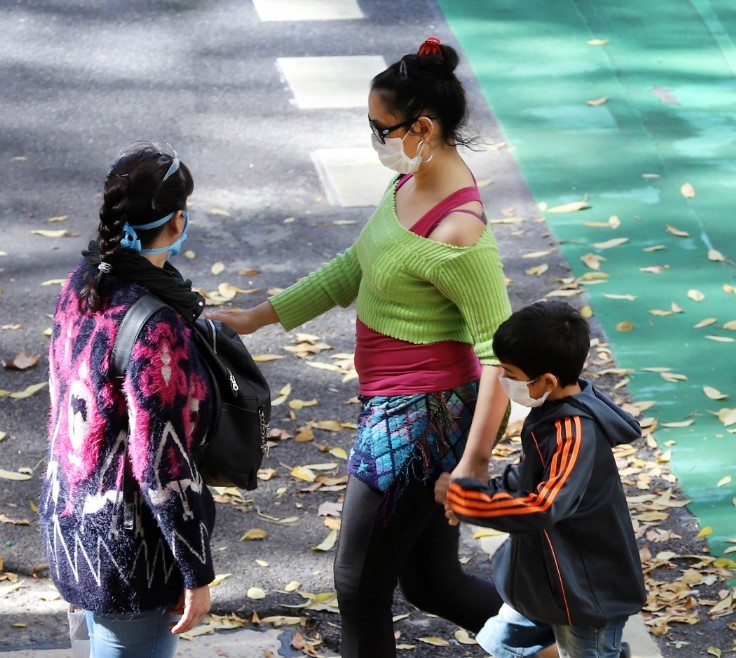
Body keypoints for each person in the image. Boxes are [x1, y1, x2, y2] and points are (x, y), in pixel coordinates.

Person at [210, 37, 514, 657]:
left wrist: (472, 463)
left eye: (382, 128)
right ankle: (560, 642)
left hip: (419, 420)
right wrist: (255, 318)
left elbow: (498, 360)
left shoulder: (461, 233)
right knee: (432, 581)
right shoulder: (412, 176)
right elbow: (356, 266)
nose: (374, 138)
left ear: (422, 126)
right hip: (392, 406)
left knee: (358, 585)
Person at [39, 142, 216, 658]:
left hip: (70, 518)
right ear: (178, 222)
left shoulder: (83, 281)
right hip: (129, 552)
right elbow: (160, 461)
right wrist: (194, 569)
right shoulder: (155, 325)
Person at [438, 300, 646, 658]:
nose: (504, 381)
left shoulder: (575, 431)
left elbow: (543, 505)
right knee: (500, 642)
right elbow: (527, 477)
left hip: (584, 590)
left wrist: (468, 501)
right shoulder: (551, 412)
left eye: (511, 374)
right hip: (545, 579)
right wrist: (478, 492)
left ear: (546, 381)